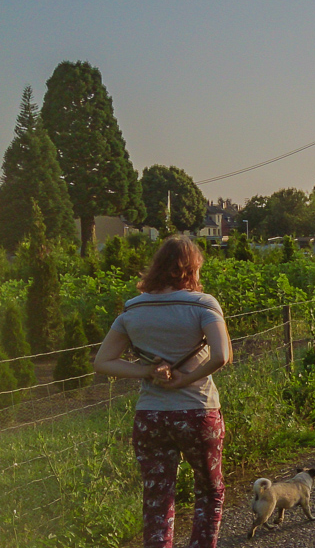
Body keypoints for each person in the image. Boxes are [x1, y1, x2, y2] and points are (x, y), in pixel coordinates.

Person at [93, 235, 232, 548]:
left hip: (151, 415)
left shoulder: (132, 309)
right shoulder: (203, 305)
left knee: (158, 496)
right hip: (198, 412)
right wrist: (184, 379)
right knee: (209, 492)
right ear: (191, 269)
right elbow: (222, 355)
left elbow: (103, 361)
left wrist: (148, 372)